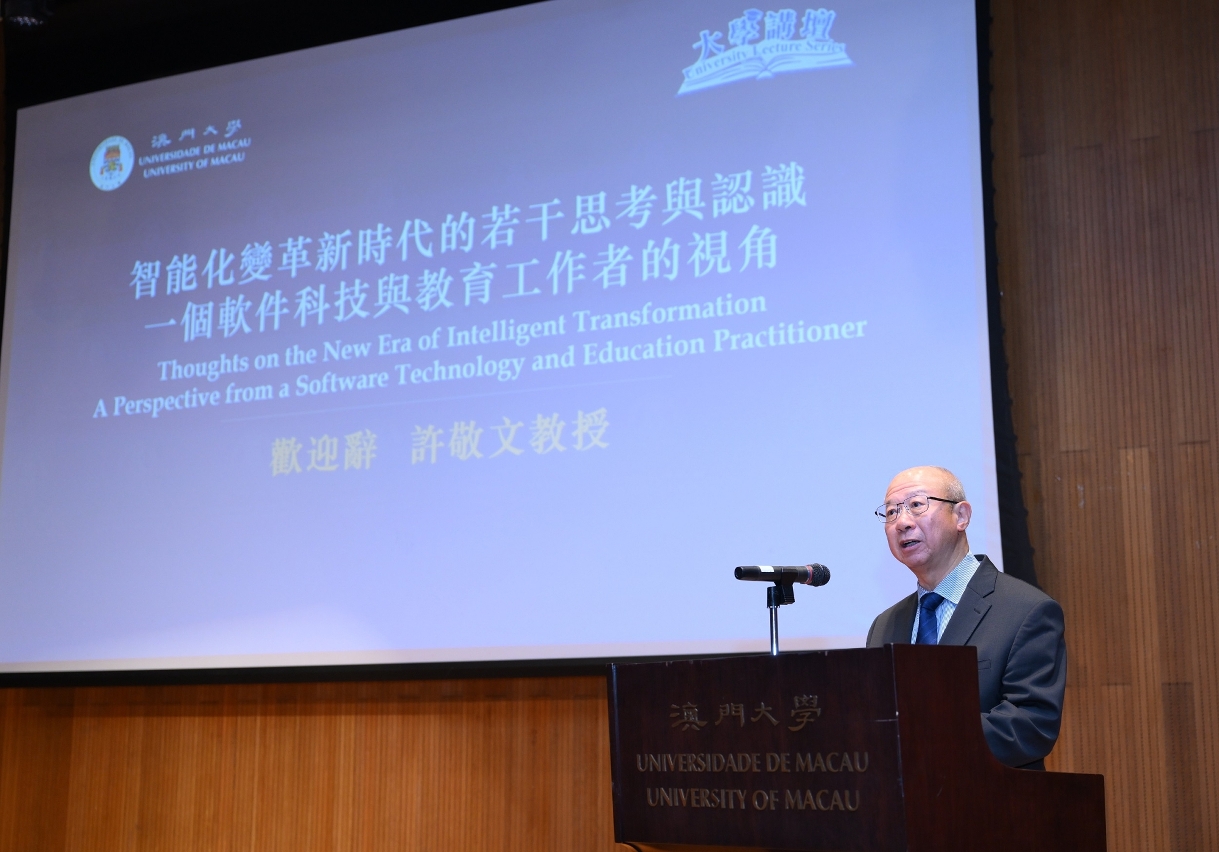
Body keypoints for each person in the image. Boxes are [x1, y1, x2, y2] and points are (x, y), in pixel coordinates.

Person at [865, 466, 1066, 769]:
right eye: (891, 512)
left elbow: (1031, 725)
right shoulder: (884, 625)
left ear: (961, 516)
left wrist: (922, 737)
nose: (902, 522)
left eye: (916, 505)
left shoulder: (1027, 611)